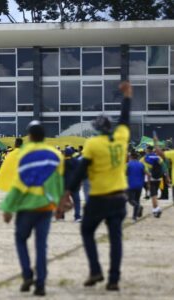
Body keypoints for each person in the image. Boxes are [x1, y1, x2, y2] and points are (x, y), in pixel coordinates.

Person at [59, 81, 132, 292]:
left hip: (99, 198)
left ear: (97, 129)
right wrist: (127, 97)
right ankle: (114, 279)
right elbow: (125, 119)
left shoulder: (93, 144)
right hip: (119, 198)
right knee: (116, 239)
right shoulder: (121, 138)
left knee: (87, 231)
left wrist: (66, 192)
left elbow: (81, 171)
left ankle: (95, 269)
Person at [0, 121, 64, 296]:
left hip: (26, 207)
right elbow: (58, 182)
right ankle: (41, 284)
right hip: (46, 206)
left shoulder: (23, 153)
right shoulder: (55, 154)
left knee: (21, 239)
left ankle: (27, 274)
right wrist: (60, 204)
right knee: (41, 245)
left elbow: (19, 183)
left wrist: (8, 208)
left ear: (30, 136)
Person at [142, 145, 163, 218]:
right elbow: (162, 166)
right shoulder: (158, 157)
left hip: (151, 178)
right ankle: (156, 208)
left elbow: (146, 170)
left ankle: (156, 210)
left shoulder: (145, 158)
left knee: (153, 195)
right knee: (155, 194)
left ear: (147, 150)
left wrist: (147, 182)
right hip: (159, 178)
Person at [62, 147, 82, 222]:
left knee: (63, 201)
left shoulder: (62, 162)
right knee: (77, 201)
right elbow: (79, 173)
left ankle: (61, 216)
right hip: (75, 184)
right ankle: (77, 216)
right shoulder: (76, 161)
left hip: (65, 184)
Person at [127, 151, 146, 222]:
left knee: (131, 200)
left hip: (131, 185)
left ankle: (138, 207)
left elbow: (125, 174)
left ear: (131, 157)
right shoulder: (141, 164)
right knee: (137, 200)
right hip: (139, 185)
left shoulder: (128, 164)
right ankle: (134, 217)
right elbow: (144, 173)